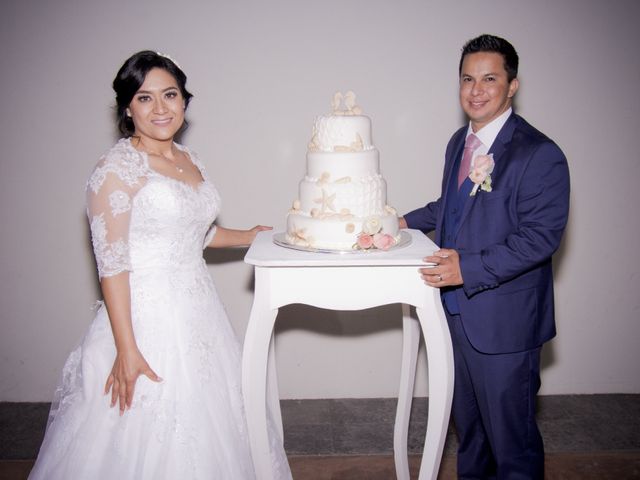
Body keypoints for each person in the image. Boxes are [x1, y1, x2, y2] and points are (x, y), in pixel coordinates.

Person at [29, 50, 292, 479]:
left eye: (169, 94)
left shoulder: (189, 161)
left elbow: (193, 234)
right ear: (128, 108)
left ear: (184, 102)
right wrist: (127, 350)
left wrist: (247, 235)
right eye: (145, 98)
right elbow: (112, 265)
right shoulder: (116, 169)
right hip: (144, 323)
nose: (160, 108)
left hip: (200, 316)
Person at [399, 35, 570, 478]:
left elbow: (540, 237)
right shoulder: (460, 142)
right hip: (454, 315)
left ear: (511, 85)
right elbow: (449, 206)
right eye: (467, 79)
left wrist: (467, 268)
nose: (476, 90)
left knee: (511, 445)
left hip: (504, 325)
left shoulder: (540, 154)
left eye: (489, 79)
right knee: (470, 435)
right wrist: (398, 223)